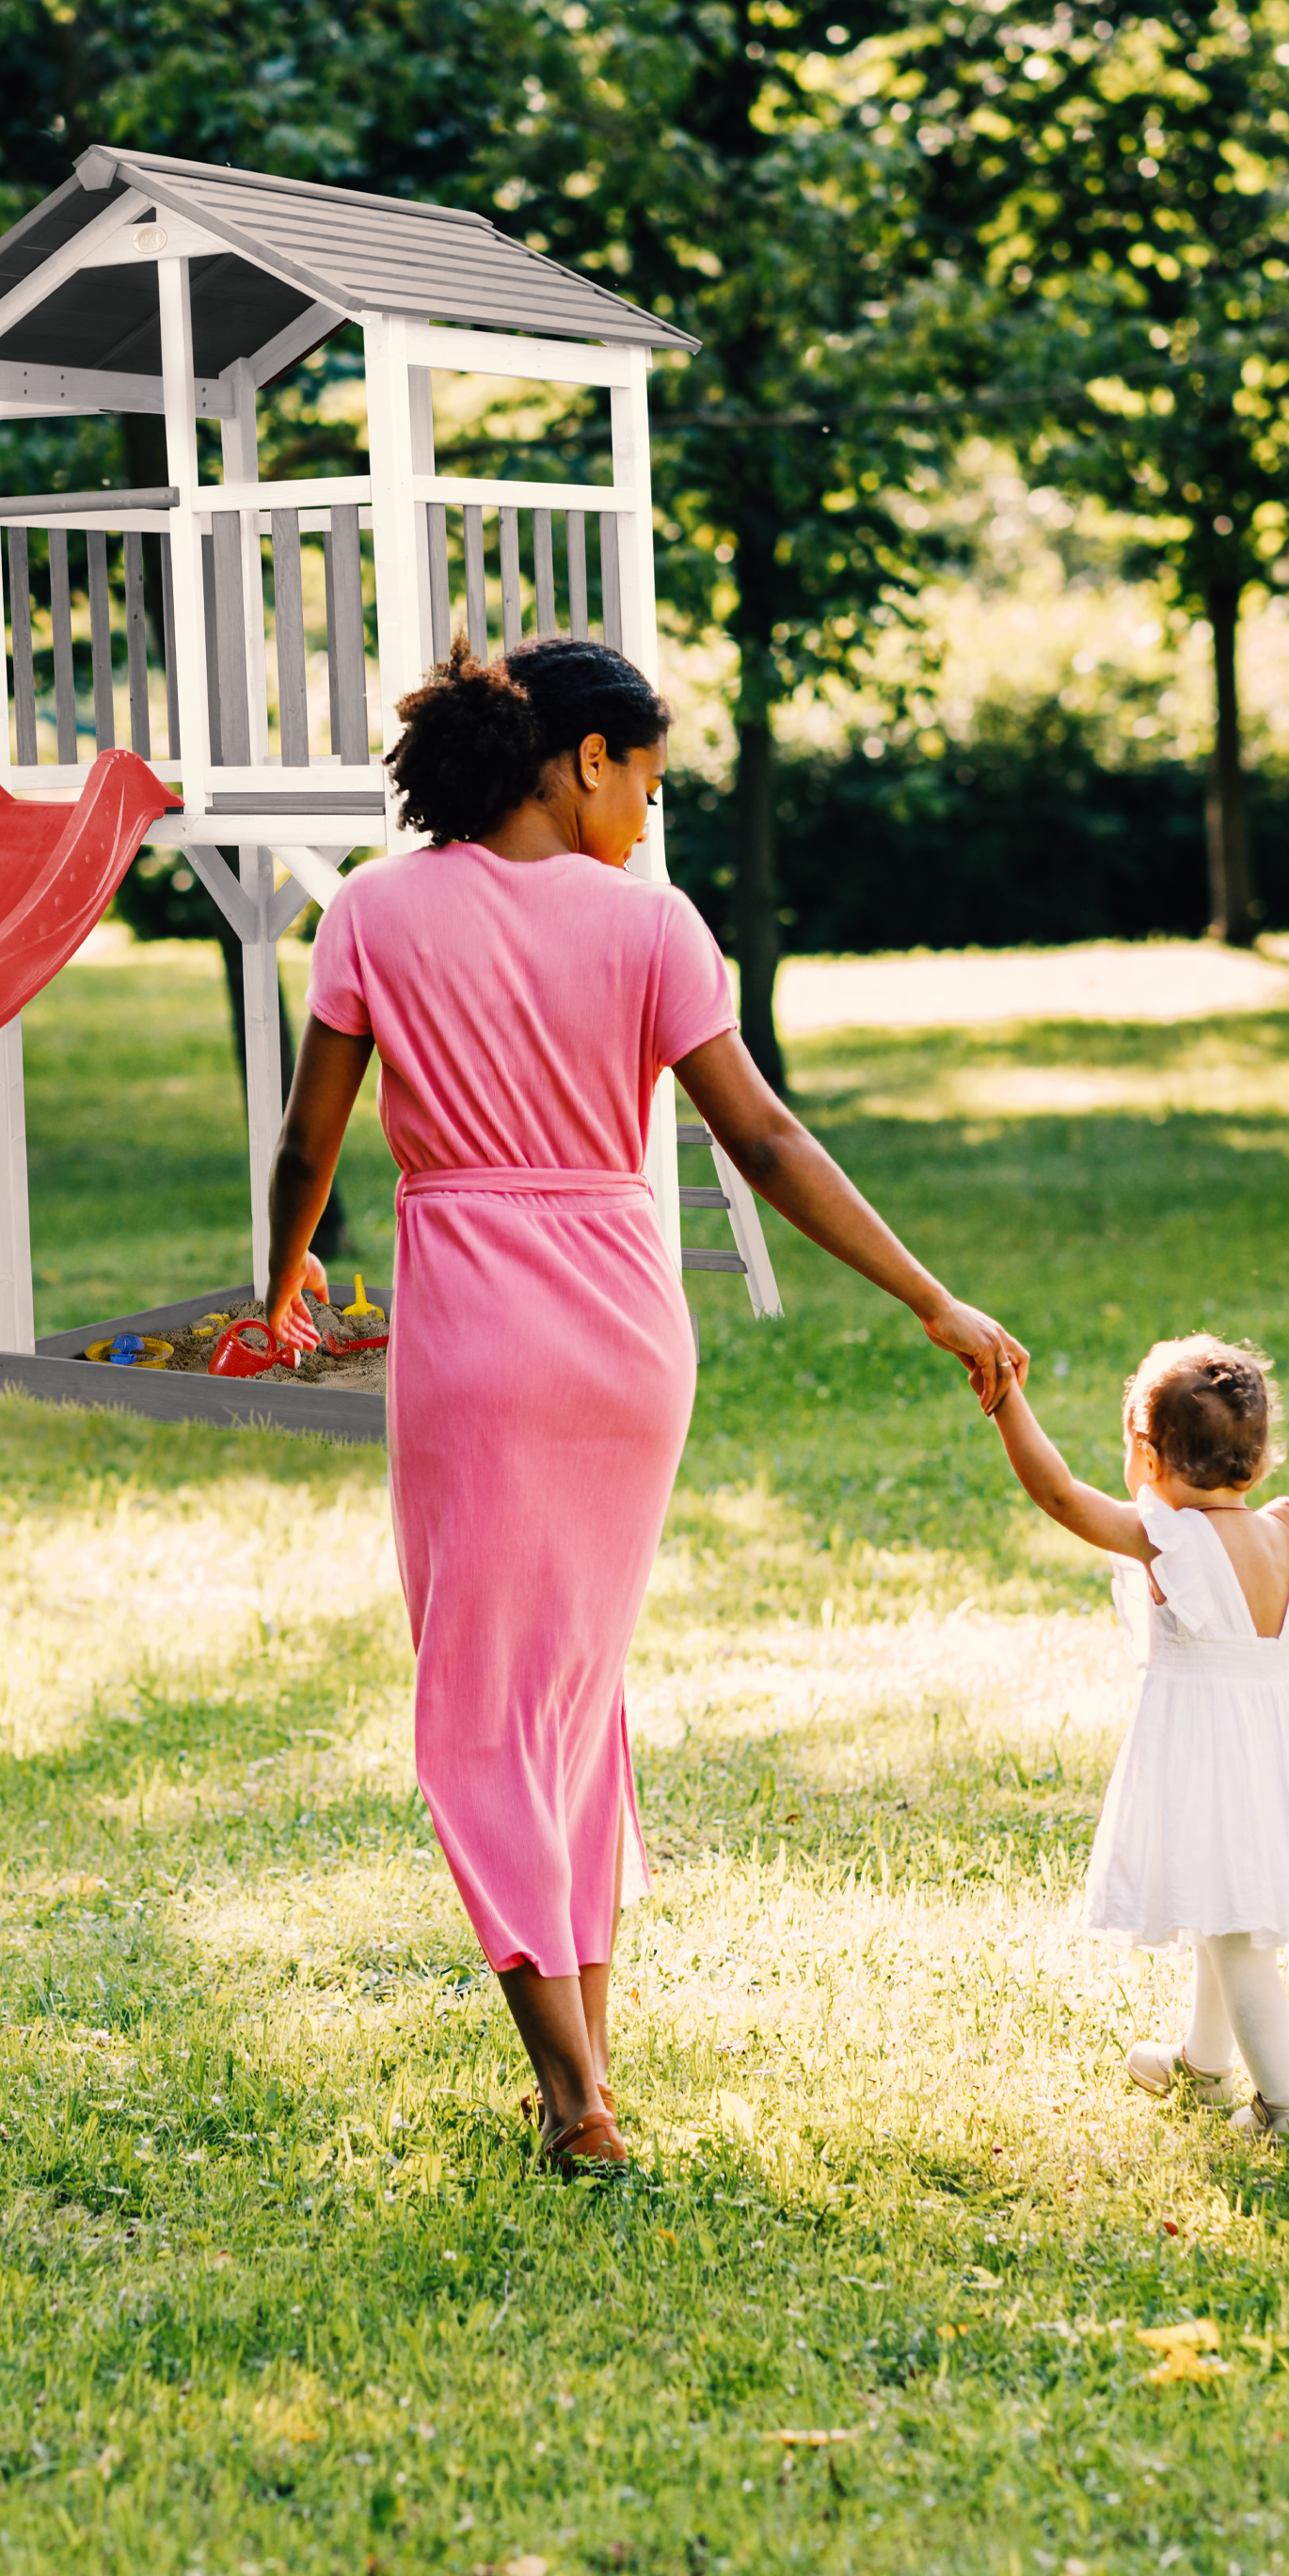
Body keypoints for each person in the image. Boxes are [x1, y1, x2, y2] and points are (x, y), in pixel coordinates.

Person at [259, 636, 1026, 2172]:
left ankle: (572, 2095)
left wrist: (277, 1281)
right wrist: (929, 1294)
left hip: (475, 1334)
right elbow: (767, 1141)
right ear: (582, 758)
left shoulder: (372, 910)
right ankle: (586, 2067)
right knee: (570, 1697)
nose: (649, 817)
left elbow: (308, 1142)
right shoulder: (653, 927)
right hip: (625, 1334)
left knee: (481, 1708)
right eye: (649, 783)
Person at [985, 1332, 1289, 2139]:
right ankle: (1203, 2066)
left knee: (1236, 1933)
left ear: (1149, 1457)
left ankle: (1287, 2111)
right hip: (1282, 1752)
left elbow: (1058, 1494)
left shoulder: (1167, 1540)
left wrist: (1006, 1400)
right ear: (1261, 1460)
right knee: (1218, 1900)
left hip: (1209, 1755)